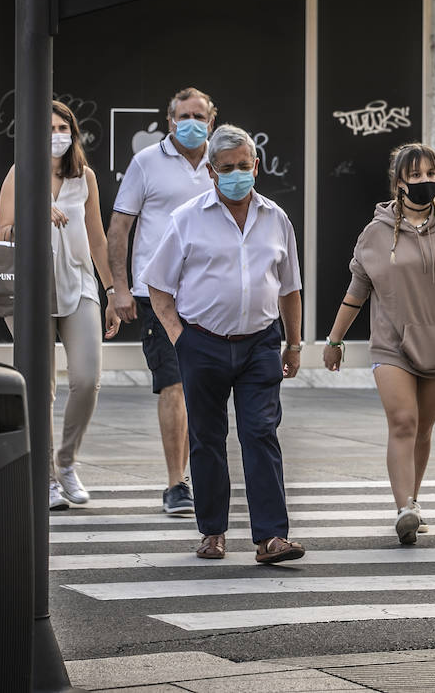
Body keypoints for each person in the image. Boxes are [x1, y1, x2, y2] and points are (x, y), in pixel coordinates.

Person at [143, 124, 306, 565]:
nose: (238, 174)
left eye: (244, 166)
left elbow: (290, 288)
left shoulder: (276, 218)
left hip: (259, 345)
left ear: (257, 166)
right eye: (227, 168)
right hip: (204, 343)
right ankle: (212, 532)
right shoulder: (187, 219)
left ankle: (271, 537)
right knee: (207, 438)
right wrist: (182, 340)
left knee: (260, 433)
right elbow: (158, 288)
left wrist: (293, 345)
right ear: (212, 173)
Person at [323, 144, 435, 544]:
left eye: (430, 173)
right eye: (415, 176)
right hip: (391, 344)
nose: (425, 182)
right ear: (399, 183)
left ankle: (414, 497)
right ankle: (404, 508)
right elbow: (357, 290)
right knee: (403, 422)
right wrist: (334, 339)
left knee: (424, 429)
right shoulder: (376, 232)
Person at [0, 100, 119, 511]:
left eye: (63, 127)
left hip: (79, 283)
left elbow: (97, 237)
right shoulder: (20, 174)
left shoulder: (84, 177)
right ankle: (45, 477)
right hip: (30, 291)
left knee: (87, 380)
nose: (57, 135)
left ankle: (66, 461)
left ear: (73, 133)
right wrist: (36, 212)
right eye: (48, 128)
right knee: (40, 387)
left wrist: (113, 292)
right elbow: (3, 232)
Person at [107, 87, 215, 517]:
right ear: (170, 120)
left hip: (210, 294)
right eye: (184, 115)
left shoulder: (223, 162)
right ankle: (176, 484)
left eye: (199, 116)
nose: (192, 123)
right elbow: (119, 228)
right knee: (173, 383)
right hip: (159, 295)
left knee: (201, 388)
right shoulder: (146, 162)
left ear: (212, 119)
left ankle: (200, 474)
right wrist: (119, 287)